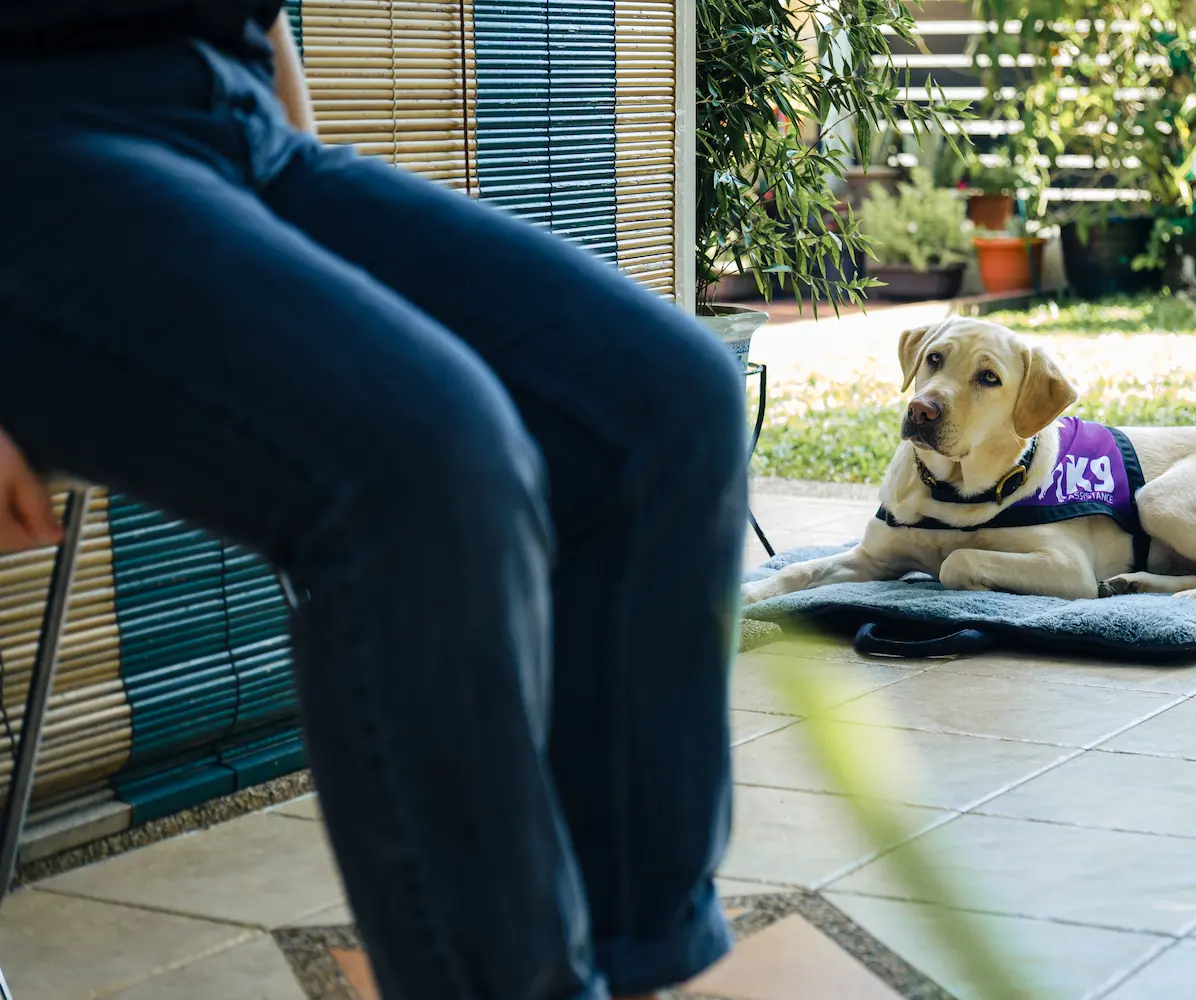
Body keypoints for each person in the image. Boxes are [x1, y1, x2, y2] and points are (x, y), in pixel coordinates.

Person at [0, 5, 746, 1000]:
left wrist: (312, 270)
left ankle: (633, 967)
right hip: (31, 152)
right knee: (431, 461)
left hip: (235, 126)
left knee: (664, 407)